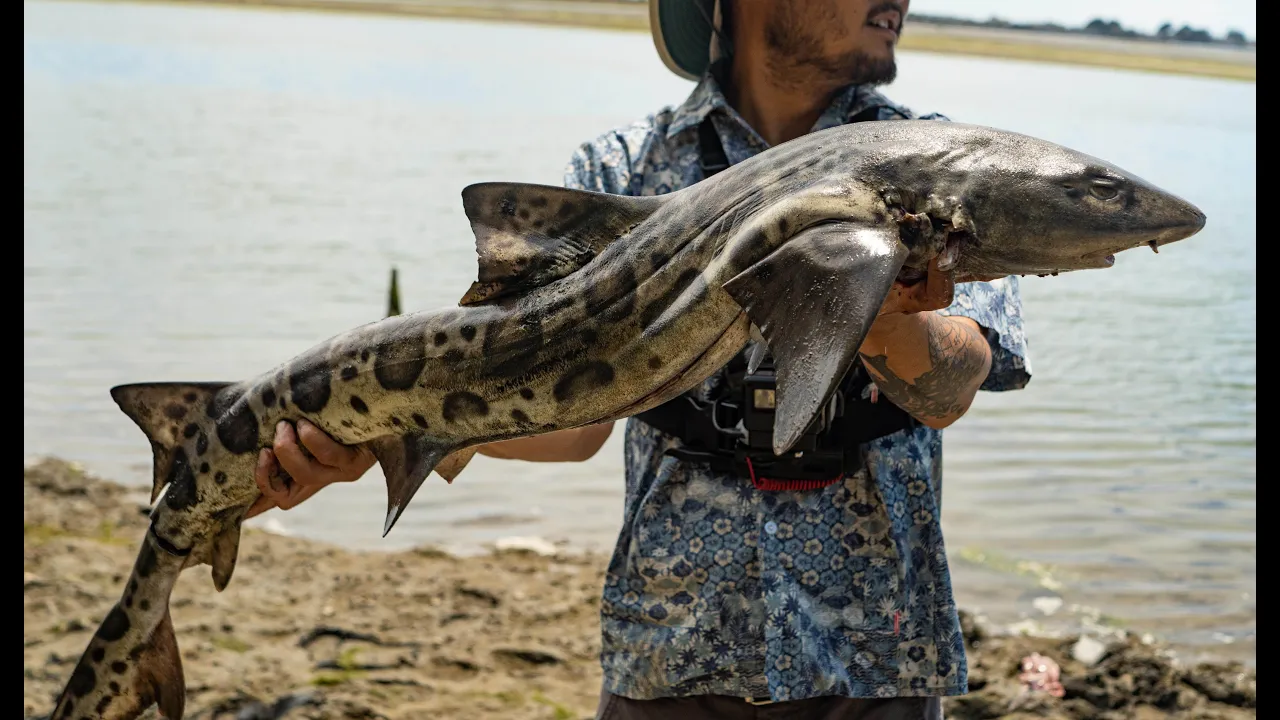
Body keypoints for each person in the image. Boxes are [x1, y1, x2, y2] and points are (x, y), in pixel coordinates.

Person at [248, 1, 1031, 717]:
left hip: (876, 661)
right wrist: (384, 439)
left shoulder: (940, 165)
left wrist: (880, 310)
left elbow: (951, 388)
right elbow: (570, 427)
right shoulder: (624, 170)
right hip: (673, 650)